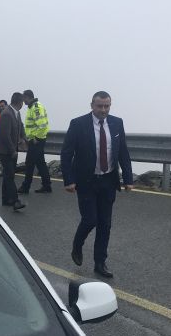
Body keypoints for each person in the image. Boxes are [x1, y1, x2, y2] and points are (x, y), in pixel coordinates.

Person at [61, 91, 133, 278]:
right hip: (86, 181)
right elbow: (67, 153)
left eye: (107, 106)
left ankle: (100, 263)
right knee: (90, 219)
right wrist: (69, 180)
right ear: (92, 105)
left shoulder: (117, 123)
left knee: (105, 224)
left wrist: (128, 178)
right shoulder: (78, 124)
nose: (103, 110)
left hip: (108, 180)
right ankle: (77, 244)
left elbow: (123, 152)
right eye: (100, 106)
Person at [0, 93, 26, 211]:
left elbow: (21, 126)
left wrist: (24, 139)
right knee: (10, 174)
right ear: (20, 103)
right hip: (3, 150)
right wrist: (13, 150)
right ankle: (15, 201)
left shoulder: (16, 112)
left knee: (8, 174)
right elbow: (4, 135)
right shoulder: (7, 114)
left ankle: (5, 199)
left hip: (11, 148)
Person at [18, 90, 52, 194]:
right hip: (35, 140)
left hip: (36, 140)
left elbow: (42, 125)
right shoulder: (32, 107)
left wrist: (37, 138)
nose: (23, 101)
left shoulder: (36, 107)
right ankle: (47, 185)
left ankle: (25, 187)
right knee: (40, 163)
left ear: (28, 97)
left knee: (29, 164)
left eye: (24, 98)